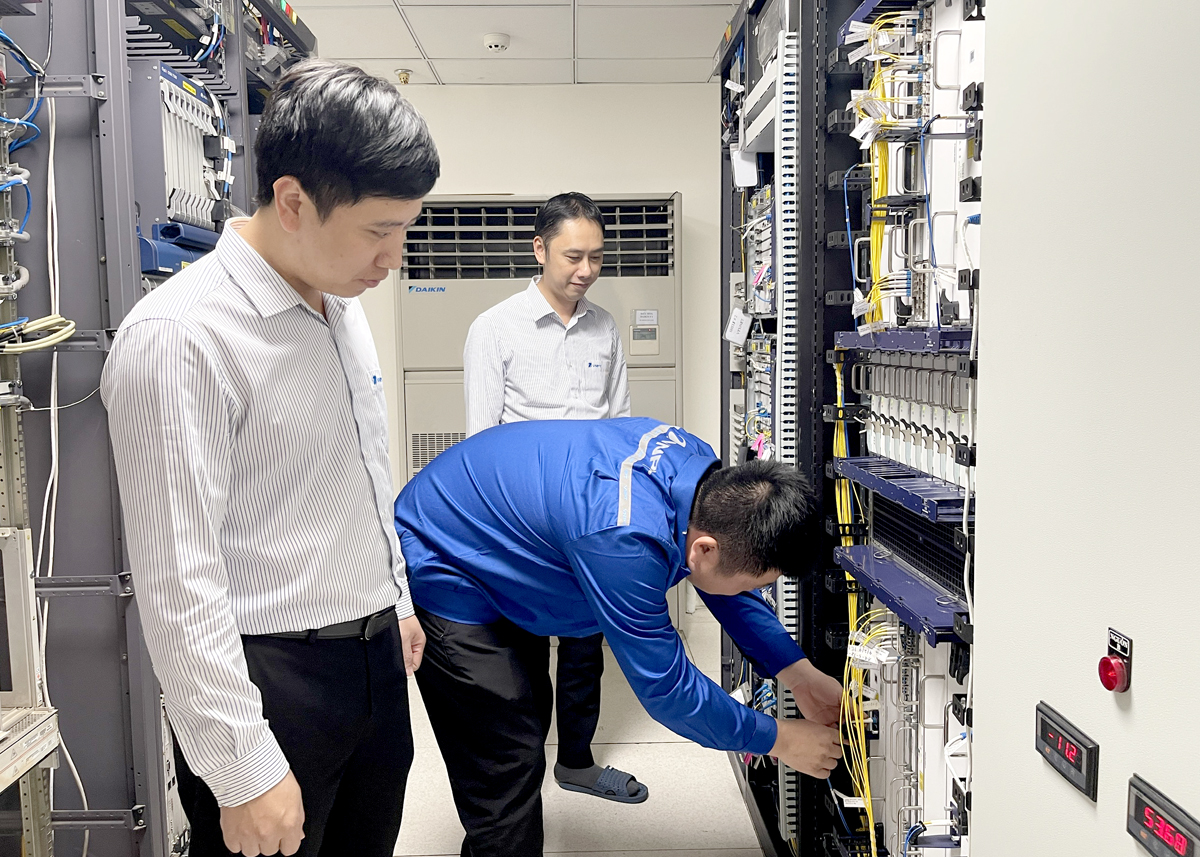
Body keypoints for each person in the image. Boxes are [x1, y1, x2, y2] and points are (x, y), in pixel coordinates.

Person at [102, 60, 439, 857]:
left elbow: (359, 466)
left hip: (372, 666)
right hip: (270, 681)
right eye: (380, 229)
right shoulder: (182, 338)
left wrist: (392, 596)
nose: (394, 255)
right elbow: (177, 579)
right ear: (293, 201)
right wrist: (241, 767)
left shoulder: (337, 304)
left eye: (405, 228)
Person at [394, 417, 844, 857]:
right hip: (448, 561)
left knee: (527, 719)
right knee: (504, 756)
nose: (751, 594)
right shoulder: (623, 536)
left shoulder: (705, 480)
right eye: (753, 583)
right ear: (704, 548)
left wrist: (801, 675)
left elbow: (724, 587)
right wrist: (780, 739)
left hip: (506, 546)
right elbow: (670, 690)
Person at [461, 192, 640, 803]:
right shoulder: (495, 328)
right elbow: (480, 438)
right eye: (572, 256)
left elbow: (616, 427)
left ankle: (579, 762)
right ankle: (521, 773)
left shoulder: (605, 328)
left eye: (595, 257)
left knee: (587, 647)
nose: (585, 270)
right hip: (523, 521)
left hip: (589, 517)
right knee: (524, 651)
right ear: (539, 249)